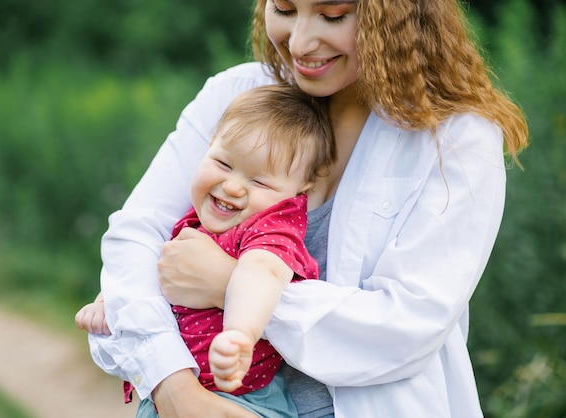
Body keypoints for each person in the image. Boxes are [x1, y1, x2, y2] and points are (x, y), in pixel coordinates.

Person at [81, 0, 529, 417]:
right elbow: (136, 239)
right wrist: (175, 389)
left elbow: (409, 326)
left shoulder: (456, 138)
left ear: (397, 17)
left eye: (332, 15)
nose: (298, 42)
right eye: (284, 8)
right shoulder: (237, 94)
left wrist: (229, 284)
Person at [77, 84, 336, 417]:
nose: (231, 185)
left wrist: (240, 333)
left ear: (300, 191)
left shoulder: (272, 228)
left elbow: (262, 272)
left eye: (259, 182)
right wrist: (108, 302)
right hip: (165, 391)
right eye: (224, 163)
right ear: (209, 145)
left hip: (244, 399)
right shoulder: (194, 220)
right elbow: (155, 267)